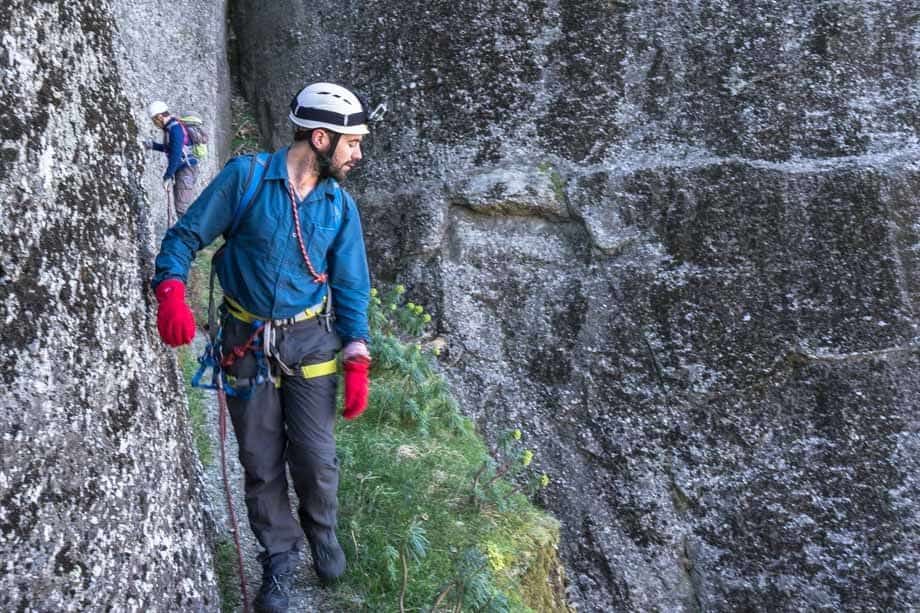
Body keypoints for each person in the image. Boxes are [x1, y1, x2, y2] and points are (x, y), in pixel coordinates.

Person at [151, 82, 373, 613]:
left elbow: (351, 284)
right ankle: (279, 561)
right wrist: (170, 290)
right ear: (321, 138)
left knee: (317, 458)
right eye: (353, 142)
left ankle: (322, 532)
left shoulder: (338, 206)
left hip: (311, 340)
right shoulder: (246, 179)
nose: (358, 154)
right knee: (259, 457)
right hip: (244, 340)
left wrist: (357, 351)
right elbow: (185, 238)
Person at [143, 100, 200, 218]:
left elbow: (176, 155)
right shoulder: (172, 127)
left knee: (182, 208)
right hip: (184, 169)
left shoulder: (175, 129)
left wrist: (167, 176)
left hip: (186, 170)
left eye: (154, 120)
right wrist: (153, 145)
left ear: (159, 117)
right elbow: (171, 148)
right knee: (182, 206)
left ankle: (187, 235)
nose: (155, 124)